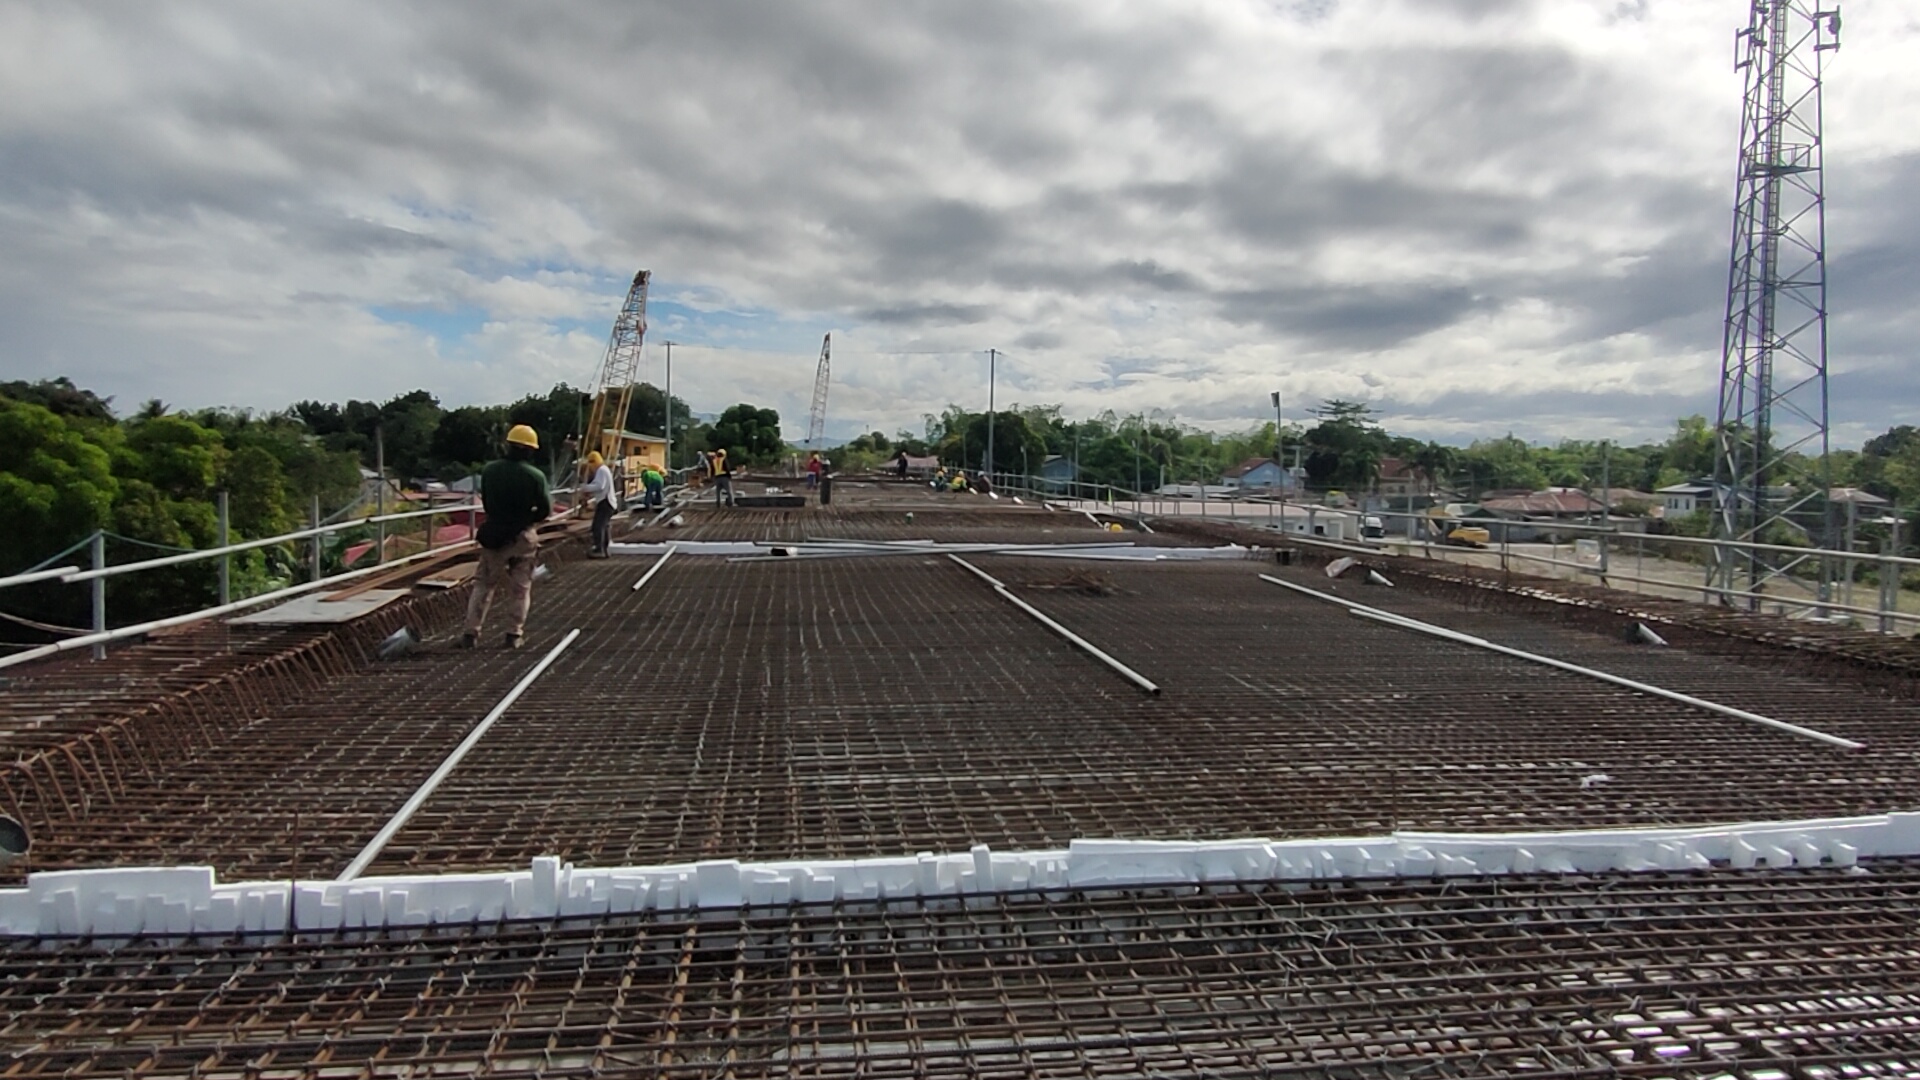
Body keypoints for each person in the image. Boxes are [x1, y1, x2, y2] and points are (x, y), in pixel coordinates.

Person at [464, 424, 551, 649]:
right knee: (521, 588)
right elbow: (544, 510)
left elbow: (487, 503)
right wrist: (527, 518)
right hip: (522, 536)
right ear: (530, 450)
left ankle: (471, 633)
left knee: (483, 585)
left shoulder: (490, 470)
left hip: (494, 535)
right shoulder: (535, 476)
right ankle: (514, 635)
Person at [578, 450, 618, 558]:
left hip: (606, 501)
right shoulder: (604, 470)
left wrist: (585, 487)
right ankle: (604, 549)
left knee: (598, 526)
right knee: (604, 526)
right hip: (607, 502)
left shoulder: (601, 470)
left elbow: (600, 486)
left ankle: (599, 549)